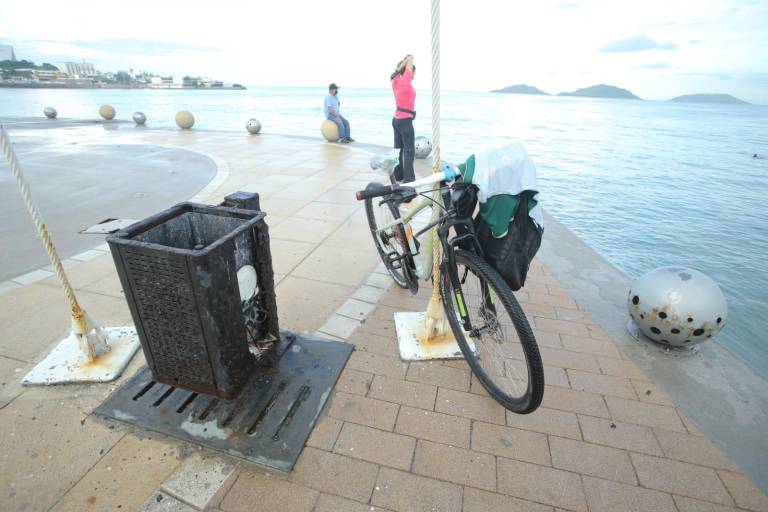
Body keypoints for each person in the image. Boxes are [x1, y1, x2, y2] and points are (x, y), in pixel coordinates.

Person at [391, 55, 416, 183]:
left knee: (398, 149)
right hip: (405, 121)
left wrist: (403, 61)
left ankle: (398, 176)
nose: (413, 75)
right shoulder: (405, 82)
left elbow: (395, 71)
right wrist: (408, 59)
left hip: (396, 120)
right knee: (409, 151)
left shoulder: (395, 81)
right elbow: (410, 61)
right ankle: (409, 180)